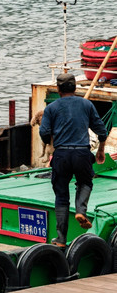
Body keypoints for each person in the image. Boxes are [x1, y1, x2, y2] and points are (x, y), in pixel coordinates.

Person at [39, 73, 107, 247]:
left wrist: (49, 142)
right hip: (82, 154)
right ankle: (81, 211)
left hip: (61, 155)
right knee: (85, 183)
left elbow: (44, 133)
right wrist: (100, 151)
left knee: (61, 195)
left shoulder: (51, 108)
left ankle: (61, 239)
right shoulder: (86, 104)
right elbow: (102, 131)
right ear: (75, 88)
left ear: (58, 89)